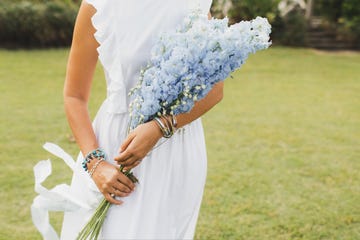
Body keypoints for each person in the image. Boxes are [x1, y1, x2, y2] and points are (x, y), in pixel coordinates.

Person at [61, 0, 223, 239]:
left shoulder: (194, 5)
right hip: (115, 149)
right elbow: (74, 96)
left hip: (175, 148)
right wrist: (95, 164)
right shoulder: (99, 5)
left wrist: (161, 126)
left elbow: (214, 90)